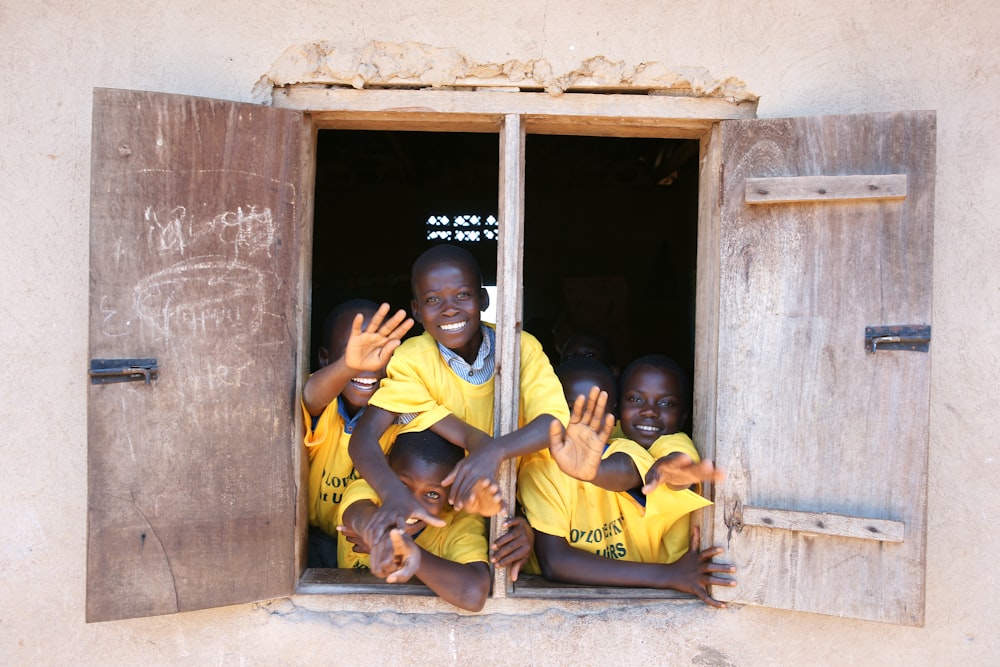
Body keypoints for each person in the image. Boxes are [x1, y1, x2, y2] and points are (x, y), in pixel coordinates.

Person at [348, 244, 575, 539]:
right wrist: (393, 494)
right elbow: (363, 438)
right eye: (433, 299)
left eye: (463, 295)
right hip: (440, 509)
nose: (449, 308)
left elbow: (554, 423)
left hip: (510, 504)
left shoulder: (520, 348)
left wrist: (495, 450)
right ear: (416, 310)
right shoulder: (411, 359)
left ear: (483, 298)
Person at [518, 354, 735, 607]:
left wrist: (594, 471)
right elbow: (555, 562)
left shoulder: (631, 448)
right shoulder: (539, 467)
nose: (580, 424)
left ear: (614, 415)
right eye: (569, 410)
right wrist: (667, 575)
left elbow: (632, 469)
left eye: (594, 411)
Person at [337, 430, 532, 611]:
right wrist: (381, 534)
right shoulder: (367, 492)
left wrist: (410, 554)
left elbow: (473, 595)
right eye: (403, 485)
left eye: (432, 493)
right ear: (385, 472)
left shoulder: (459, 523)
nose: (413, 504)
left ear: (451, 494)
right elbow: (358, 516)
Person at [300, 299, 413, 567]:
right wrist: (348, 366)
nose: (367, 364)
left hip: (368, 538)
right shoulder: (323, 403)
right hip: (311, 539)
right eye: (351, 352)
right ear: (325, 359)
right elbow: (310, 396)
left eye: (379, 351)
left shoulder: (400, 408)